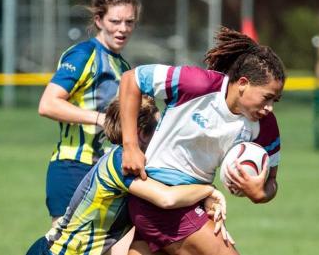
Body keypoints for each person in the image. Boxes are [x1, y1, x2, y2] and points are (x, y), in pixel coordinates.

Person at [119, 27, 285, 254]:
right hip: (156, 195)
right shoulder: (197, 85)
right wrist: (130, 147)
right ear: (243, 83)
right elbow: (131, 79)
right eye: (267, 98)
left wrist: (261, 193)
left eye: (275, 100)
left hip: (192, 200)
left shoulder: (265, 126)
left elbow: (272, 182)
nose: (270, 108)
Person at [27, 97, 230, 255]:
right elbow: (167, 198)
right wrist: (209, 190)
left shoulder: (134, 160)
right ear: (141, 133)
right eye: (157, 128)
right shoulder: (121, 160)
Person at [37, 0, 140, 223]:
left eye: (129, 22)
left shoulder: (123, 66)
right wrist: (99, 119)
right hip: (73, 167)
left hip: (107, 172)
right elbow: (48, 104)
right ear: (99, 20)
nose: (123, 29)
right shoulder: (83, 55)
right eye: (115, 21)